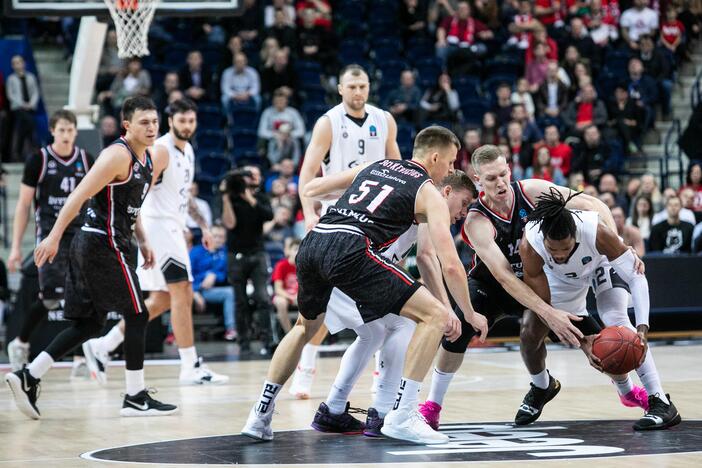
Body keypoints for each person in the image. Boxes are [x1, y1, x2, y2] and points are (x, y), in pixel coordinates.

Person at [241, 126, 488, 445]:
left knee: (306, 329)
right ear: (436, 157)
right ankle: (400, 414)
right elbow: (450, 264)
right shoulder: (427, 192)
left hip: (315, 242)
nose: (451, 170)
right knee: (433, 317)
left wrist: (309, 212)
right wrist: (466, 312)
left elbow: (312, 186)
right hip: (352, 250)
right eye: (452, 163)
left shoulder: (375, 166)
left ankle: (260, 415)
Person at [418, 144, 617, 430]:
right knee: (460, 326)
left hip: (538, 279)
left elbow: (593, 205)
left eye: (502, 174)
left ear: (509, 169)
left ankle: (643, 395)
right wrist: (549, 313)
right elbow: (504, 277)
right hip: (493, 286)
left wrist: (616, 249)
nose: (499, 183)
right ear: (477, 180)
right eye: (490, 179)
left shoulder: (533, 191)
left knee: (600, 342)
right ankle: (432, 406)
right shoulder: (476, 219)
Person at [5, 96, 178, 419]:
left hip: (112, 243)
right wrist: (54, 236)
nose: (152, 127)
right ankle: (135, 396)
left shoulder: (148, 159)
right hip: (101, 243)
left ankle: (28, 375)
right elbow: (78, 194)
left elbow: (133, 206)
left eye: (155, 121)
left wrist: (143, 239)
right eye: (144, 122)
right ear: (127, 125)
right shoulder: (116, 155)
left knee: (89, 324)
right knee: (138, 315)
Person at [302, 170, 476, 436]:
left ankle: (334, 409)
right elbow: (432, 261)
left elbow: (424, 260)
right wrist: (455, 311)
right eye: (464, 204)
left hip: (340, 264)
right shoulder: (422, 199)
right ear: (447, 192)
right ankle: (385, 412)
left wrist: (444, 308)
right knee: (405, 322)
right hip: (351, 266)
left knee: (375, 333)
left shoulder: (423, 207)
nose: (464, 212)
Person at [82, 98, 228, 386]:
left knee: (161, 300)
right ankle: (189, 366)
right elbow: (138, 191)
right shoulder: (160, 151)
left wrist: (204, 227)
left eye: (192, 120)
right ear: (170, 121)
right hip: (159, 229)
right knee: (183, 293)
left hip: (174, 227)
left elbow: (184, 197)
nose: (188, 126)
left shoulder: (188, 151)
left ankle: (103, 345)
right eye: (182, 121)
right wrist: (140, 232)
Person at [520, 189, 680, 430]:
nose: (561, 255)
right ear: (543, 240)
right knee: (530, 330)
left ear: (575, 234)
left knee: (616, 318)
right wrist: (582, 341)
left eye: (565, 248)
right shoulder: (530, 244)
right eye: (554, 250)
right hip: (559, 280)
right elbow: (546, 306)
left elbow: (637, 278)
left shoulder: (595, 231)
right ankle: (624, 391)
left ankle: (660, 401)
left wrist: (643, 329)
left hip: (599, 262)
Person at [289, 64, 401, 399]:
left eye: (362, 86)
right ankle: (305, 371)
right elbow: (307, 173)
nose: (357, 92)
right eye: (351, 86)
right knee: (322, 305)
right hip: (337, 218)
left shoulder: (384, 120)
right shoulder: (328, 122)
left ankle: (384, 375)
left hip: (376, 219)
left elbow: (398, 167)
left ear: (369, 87)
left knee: (388, 298)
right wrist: (309, 213)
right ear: (340, 88)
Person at [6, 110, 94, 371]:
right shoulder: (39, 160)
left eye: (70, 130)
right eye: (62, 130)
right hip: (50, 235)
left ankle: (79, 356)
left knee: (83, 295)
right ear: (53, 131)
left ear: (76, 132)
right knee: (51, 297)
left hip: (80, 233)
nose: (66, 135)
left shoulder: (86, 160)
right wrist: (14, 249)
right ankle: (20, 342)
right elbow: (23, 206)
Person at [221, 165, 275, 354]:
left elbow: (268, 215)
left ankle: (268, 341)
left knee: (263, 298)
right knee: (240, 301)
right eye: (248, 175)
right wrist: (226, 197)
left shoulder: (260, 197)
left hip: (257, 253)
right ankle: (243, 343)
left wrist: (250, 198)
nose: (252, 178)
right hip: (235, 255)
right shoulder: (231, 197)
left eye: (255, 174)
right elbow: (230, 223)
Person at [191, 224, 237, 342]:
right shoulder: (196, 252)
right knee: (177, 295)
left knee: (230, 292)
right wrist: (195, 292)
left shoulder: (225, 253)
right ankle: (173, 334)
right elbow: (187, 276)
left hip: (212, 291)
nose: (218, 239)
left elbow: (226, 274)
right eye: (215, 236)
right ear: (208, 236)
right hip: (192, 290)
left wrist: (215, 275)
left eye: (221, 237)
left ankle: (231, 330)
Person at [6, 55, 40, 162]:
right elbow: (10, 95)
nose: (18, 64)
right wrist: (22, 104)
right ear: (12, 65)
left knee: (22, 130)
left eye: (19, 62)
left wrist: (31, 103)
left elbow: (35, 92)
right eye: (15, 63)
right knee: (31, 124)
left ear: (23, 63)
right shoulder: (11, 79)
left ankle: (18, 153)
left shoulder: (31, 77)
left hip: (30, 107)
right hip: (18, 108)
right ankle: (35, 148)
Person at [272, 239, 300, 335]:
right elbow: (278, 289)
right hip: (285, 295)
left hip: (299, 296)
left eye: (300, 249)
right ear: (289, 251)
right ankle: (289, 333)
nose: (298, 252)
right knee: (281, 302)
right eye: (295, 249)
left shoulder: (304, 266)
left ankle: (300, 333)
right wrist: (291, 297)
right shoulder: (281, 265)